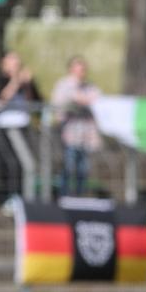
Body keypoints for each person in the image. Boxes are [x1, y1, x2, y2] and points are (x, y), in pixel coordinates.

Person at [50, 56, 102, 196]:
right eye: (79, 68)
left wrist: (83, 100)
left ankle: (79, 197)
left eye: (84, 69)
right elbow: (63, 103)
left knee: (83, 170)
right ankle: (64, 196)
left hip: (86, 136)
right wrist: (82, 101)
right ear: (71, 69)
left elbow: (98, 101)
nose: (82, 71)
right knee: (68, 167)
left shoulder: (90, 86)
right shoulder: (63, 85)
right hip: (69, 134)